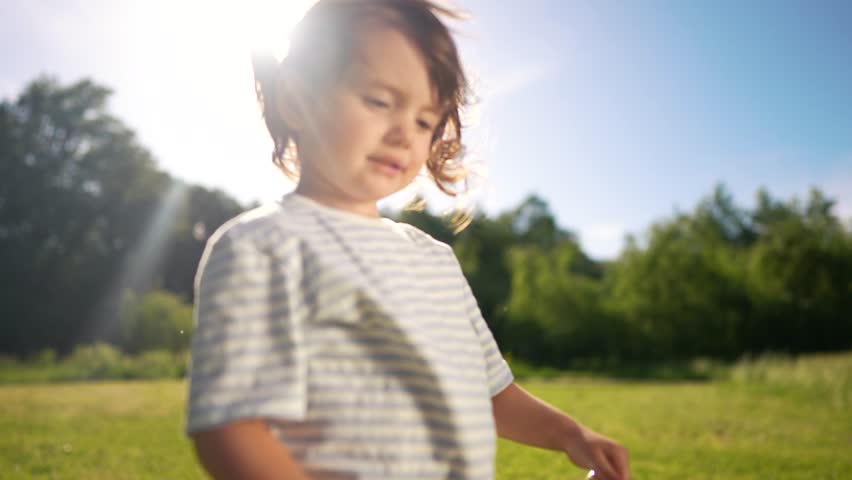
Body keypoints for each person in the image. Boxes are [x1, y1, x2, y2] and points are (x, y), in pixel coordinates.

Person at [185, 1, 630, 479]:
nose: (404, 134)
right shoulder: (262, 247)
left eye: (424, 121)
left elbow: (491, 393)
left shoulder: (434, 259)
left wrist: (570, 435)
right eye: (379, 101)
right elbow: (230, 425)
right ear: (295, 99)